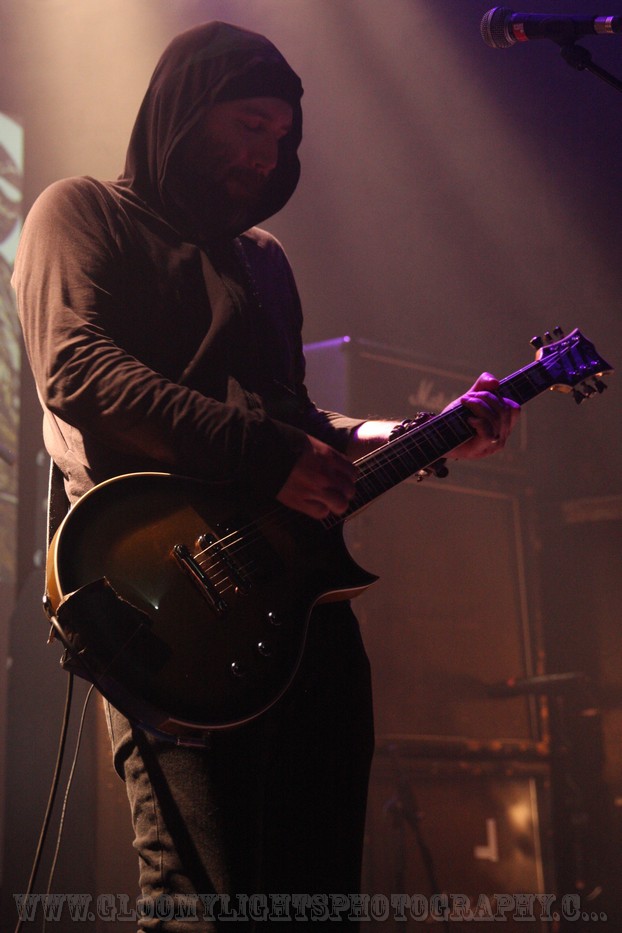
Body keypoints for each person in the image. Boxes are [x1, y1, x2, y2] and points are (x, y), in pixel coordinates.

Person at [13, 20, 519, 931]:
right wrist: (268, 455)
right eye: (250, 125)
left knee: (317, 900)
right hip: (165, 602)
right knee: (204, 902)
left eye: (281, 137)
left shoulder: (263, 260)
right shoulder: (81, 213)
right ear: (184, 111)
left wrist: (419, 433)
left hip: (302, 616)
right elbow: (78, 371)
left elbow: (293, 420)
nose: (266, 153)